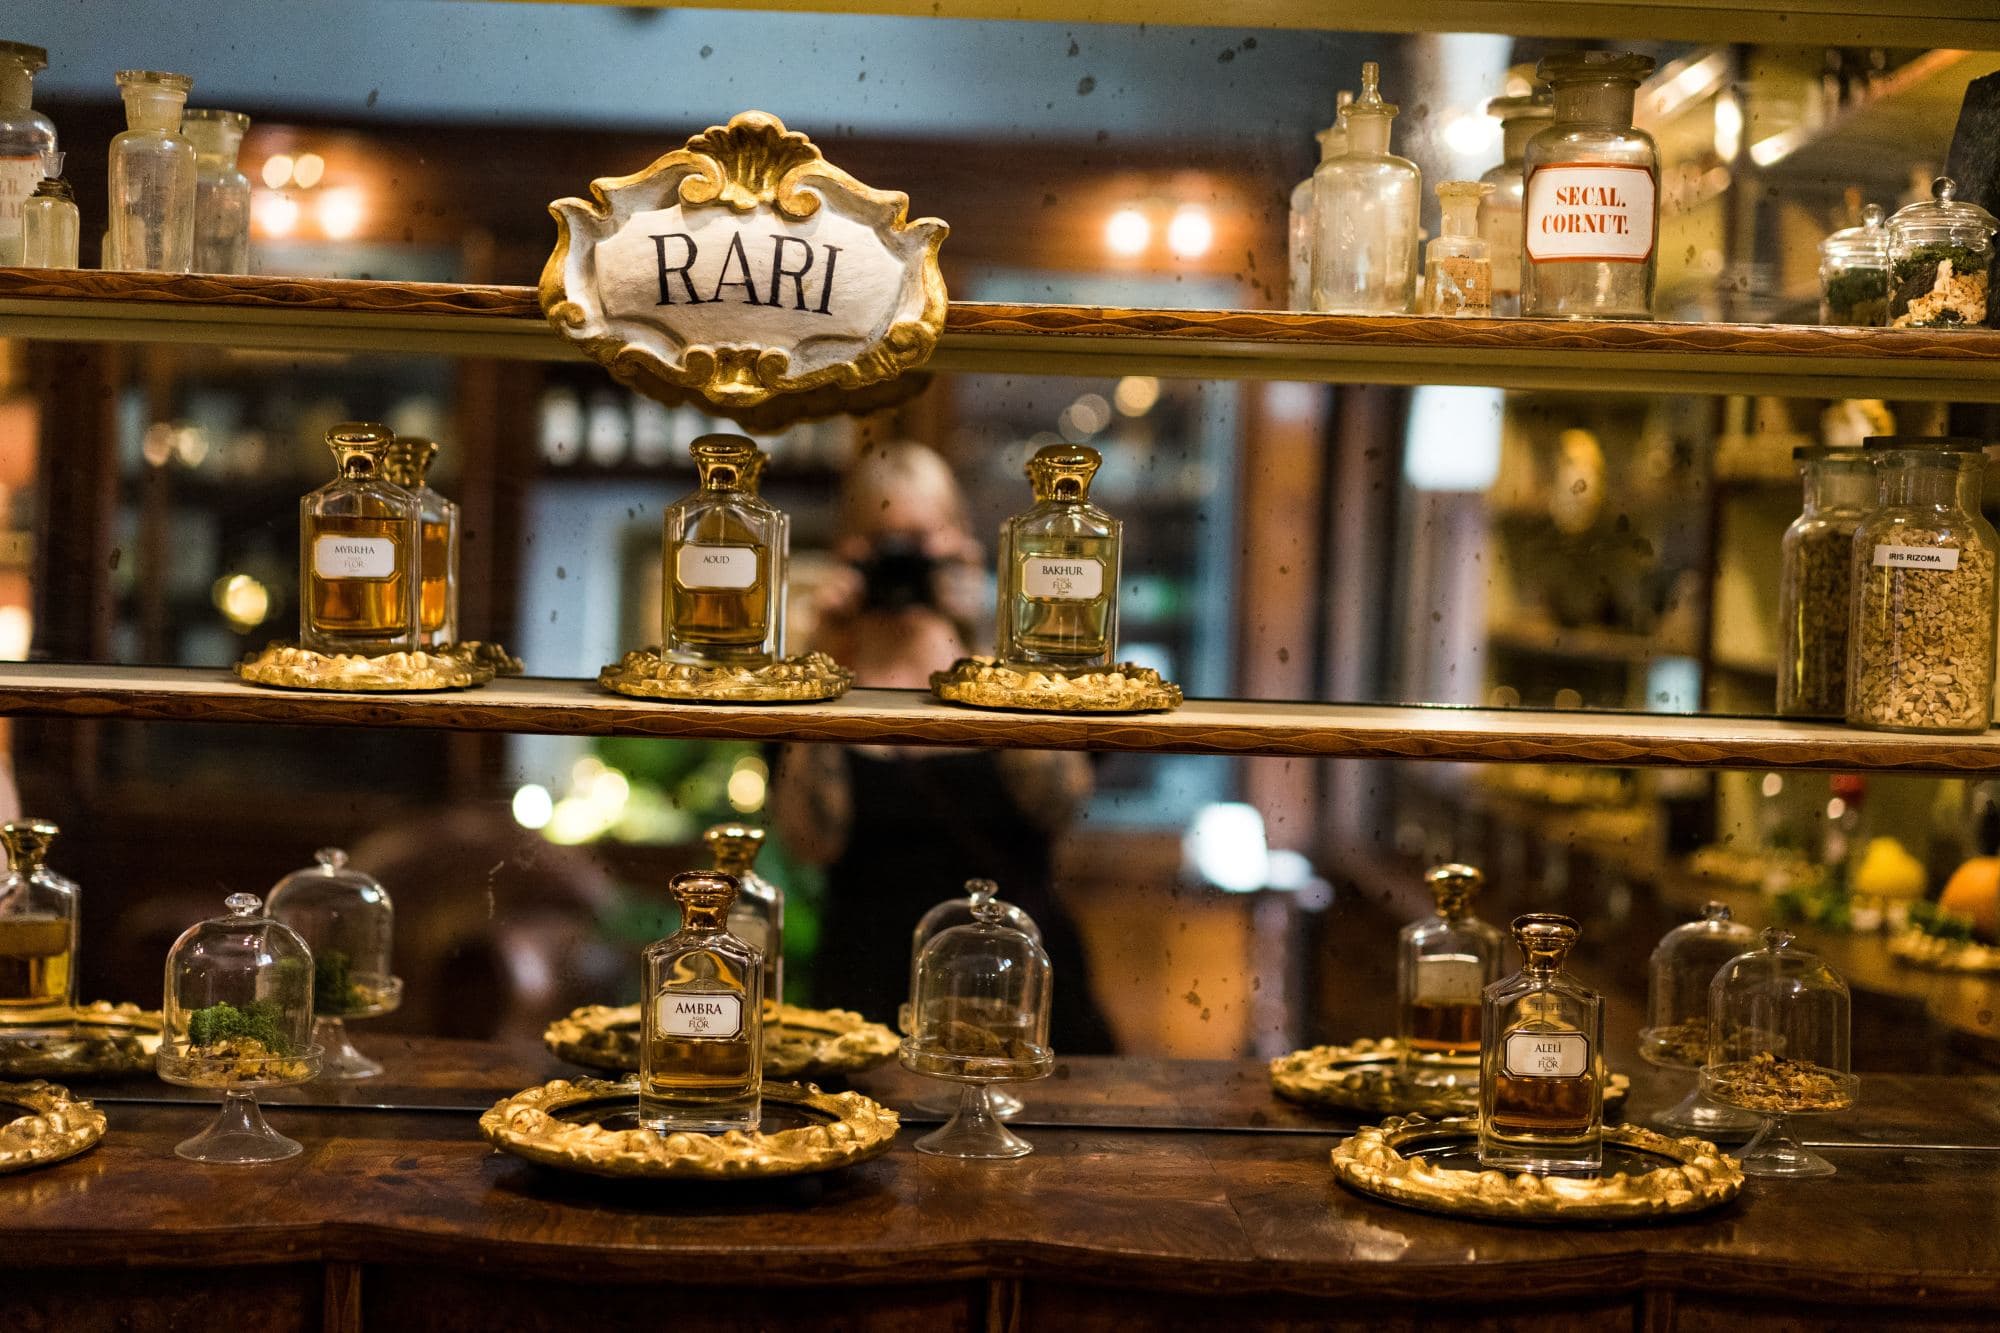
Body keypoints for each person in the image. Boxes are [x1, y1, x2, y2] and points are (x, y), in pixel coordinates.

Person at [771, 442, 1114, 1051]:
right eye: (883, 541)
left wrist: (986, 636)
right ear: (847, 550)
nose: (902, 561)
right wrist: (822, 652)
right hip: (868, 982)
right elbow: (809, 842)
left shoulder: (999, 664)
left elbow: (1059, 804)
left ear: (959, 541)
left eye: (921, 539)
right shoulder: (821, 680)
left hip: (1016, 976)